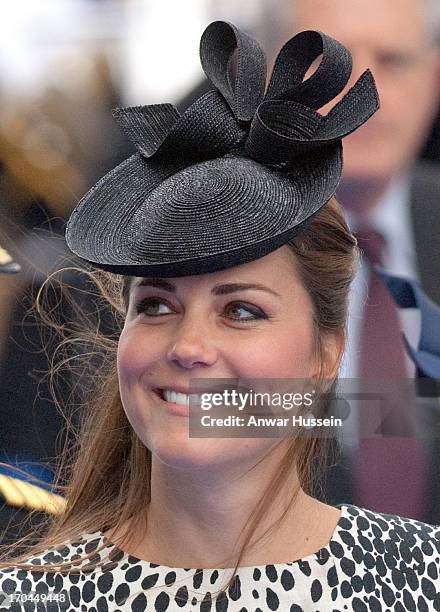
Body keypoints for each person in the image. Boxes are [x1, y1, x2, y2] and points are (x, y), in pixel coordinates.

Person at [0, 20, 438, 611]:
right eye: (155, 305)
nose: (189, 344)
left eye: (240, 310)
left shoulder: (419, 578)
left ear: (327, 353)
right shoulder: (29, 597)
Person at [291, 0, 440, 522]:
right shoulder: (207, 254)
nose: (366, 95)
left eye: (394, 62)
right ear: (271, 78)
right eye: (333, 65)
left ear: (434, 79)